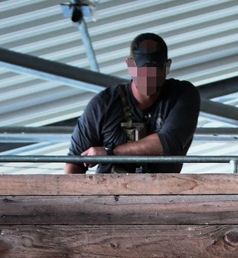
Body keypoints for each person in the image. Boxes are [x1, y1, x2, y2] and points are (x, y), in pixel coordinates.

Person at [64, 32, 200, 174]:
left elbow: (168, 142)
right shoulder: (103, 105)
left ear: (167, 66)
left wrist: (110, 153)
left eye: (154, 71)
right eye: (142, 71)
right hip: (110, 192)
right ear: (130, 66)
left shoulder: (182, 95)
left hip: (161, 192)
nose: (148, 77)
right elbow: (75, 161)